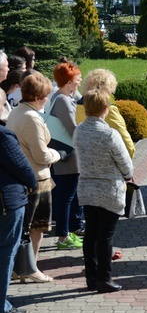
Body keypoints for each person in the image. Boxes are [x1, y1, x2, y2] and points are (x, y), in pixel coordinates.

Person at [6, 74, 65, 282]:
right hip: (36, 178)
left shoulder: (16, 111)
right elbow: (41, 155)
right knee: (36, 229)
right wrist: (59, 154)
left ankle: (18, 268)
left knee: (24, 228)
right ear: (39, 96)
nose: (48, 99)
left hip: (21, 176)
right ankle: (31, 269)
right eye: (47, 95)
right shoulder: (32, 118)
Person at [74, 89, 134, 293]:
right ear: (105, 109)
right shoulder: (109, 133)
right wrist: (128, 175)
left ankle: (91, 277)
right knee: (106, 237)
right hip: (109, 190)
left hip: (87, 187)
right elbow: (126, 164)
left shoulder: (79, 131)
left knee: (90, 234)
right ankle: (104, 279)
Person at [0, 116, 37, 313]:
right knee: (6, 251)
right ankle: (1, 305)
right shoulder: (3, 134)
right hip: (6, 201)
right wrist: (33, 182)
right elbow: (22, 166)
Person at [49, 62, 84, 250]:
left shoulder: (62, 97)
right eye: (78, 78)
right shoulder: (62, 100)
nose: (80, 81)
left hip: (67, 154)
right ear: (70, 81)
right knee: (66, 197)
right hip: (67, 156)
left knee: (67, 196)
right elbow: (72, 129)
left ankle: (67, 232)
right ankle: (63, 236)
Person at [75, 69, 135, 159]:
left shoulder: (79, 107)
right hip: (108, 163)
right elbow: (126, 143)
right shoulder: (108, 110)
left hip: (86, 163)